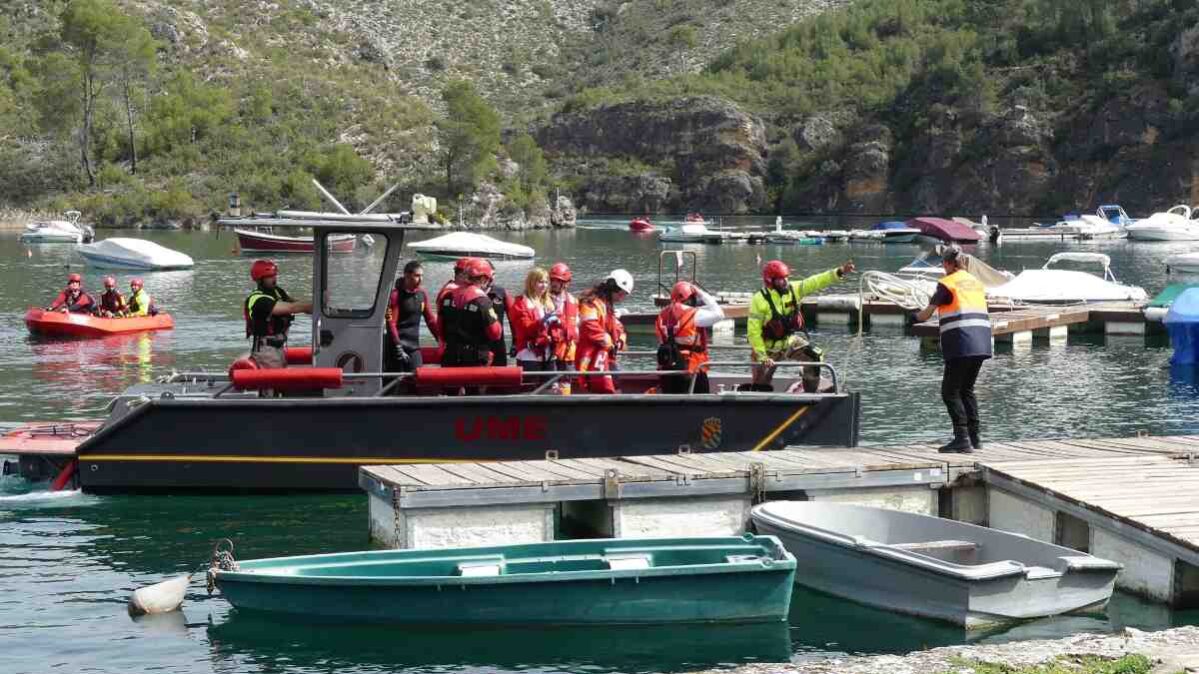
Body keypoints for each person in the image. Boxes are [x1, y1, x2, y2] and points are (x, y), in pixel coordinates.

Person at [915, 244, 992, 453]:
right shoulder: (975, 282)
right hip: (982, 341)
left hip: (961, 342)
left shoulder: (946, 284)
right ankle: (975, 438)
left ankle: (962, 439)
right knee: (966, 389)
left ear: (948, 264)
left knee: (949, 392)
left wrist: (911, 317)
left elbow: (925, 314)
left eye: (944, 263)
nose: (943, 268)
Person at [747, 259, 855, 392]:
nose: (785, 281)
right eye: (780, 279)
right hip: (767, 348)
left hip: (788, 342)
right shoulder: (759, 300)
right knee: (761, 385)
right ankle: (757, 398)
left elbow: (815, 281)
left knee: (814, 355)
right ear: (770, 281)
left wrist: (839, 272)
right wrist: (763, 356)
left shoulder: (794, 289)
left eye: (786, 277)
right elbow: (753, 332)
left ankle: (811, 392)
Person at [655, 281, 725, 394]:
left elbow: (660, 340)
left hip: (667, 367)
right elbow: (719, 314)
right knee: (700, 403)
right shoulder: (693, 314)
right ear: (690, 298)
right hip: (692, 368)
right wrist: (701, 292)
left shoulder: (661, 315)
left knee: (670, 403)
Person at [244, 259, 313, 369]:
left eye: (275, 275)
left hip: (278, 348)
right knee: (276, 383)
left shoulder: (277, 292)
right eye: (270, 276)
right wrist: (314, 305)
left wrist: (318, 309)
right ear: (260, 279)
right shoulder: (259, 300)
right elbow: (292, 308)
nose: (274, 279)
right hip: (266, 351)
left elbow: (296, 303)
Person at [576, 269, 633, 394]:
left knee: (615, 381)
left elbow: (616, 326)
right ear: (613, 287)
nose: (622, 298)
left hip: (602, 356)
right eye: (621, 294)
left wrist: (620, 340)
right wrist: (608, 341)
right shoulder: (591, 303)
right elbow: (589, 326)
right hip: (590, 355)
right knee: (599, 384)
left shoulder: (606, 305)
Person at [441, 258, 502, 368]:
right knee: (474, 385)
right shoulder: (482, 301)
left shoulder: (448, 296)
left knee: (451, 385)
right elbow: (495, 333)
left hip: (451, 354)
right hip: (475, 358)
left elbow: (440, 326)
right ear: (483, 278)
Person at [386, 260, 439, 373]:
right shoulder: (395, 296)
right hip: (396, 346)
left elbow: (430, 320)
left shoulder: (421, 294)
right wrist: (398, 347)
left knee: (418, 379)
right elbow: (391, 323)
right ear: (406, 275)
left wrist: (440, 339)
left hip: (413, 347)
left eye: (422, 276)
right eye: (417, 276)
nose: (421, 279)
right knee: (395, 384)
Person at [509, 268, 558, 371]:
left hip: (549, 354)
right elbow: (525, 328)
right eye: (540, 282)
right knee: (531, 386)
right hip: (529, 355)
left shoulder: (549, 303)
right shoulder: (521, 303)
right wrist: (543, 322)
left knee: (550, 386)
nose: (544, 285)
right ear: (531, 283)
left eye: (546, 282)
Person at [547, 262, 579, 371]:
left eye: (559, 281)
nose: (555, 283)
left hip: (567, 353)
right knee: (550, 386)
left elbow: (577, 327)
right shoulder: (542, 299)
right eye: (553, 280)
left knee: (566, 385)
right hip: (548, 352)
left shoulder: (573, 301)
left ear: (566, 283)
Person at [480, 260, 512, 366]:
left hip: (498, 345)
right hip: (478, 345)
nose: (492, 278)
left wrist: (515, 342)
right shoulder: (471, 293)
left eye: (494, 274)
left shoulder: (501, 292)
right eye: (489, 274)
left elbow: (513, 318)